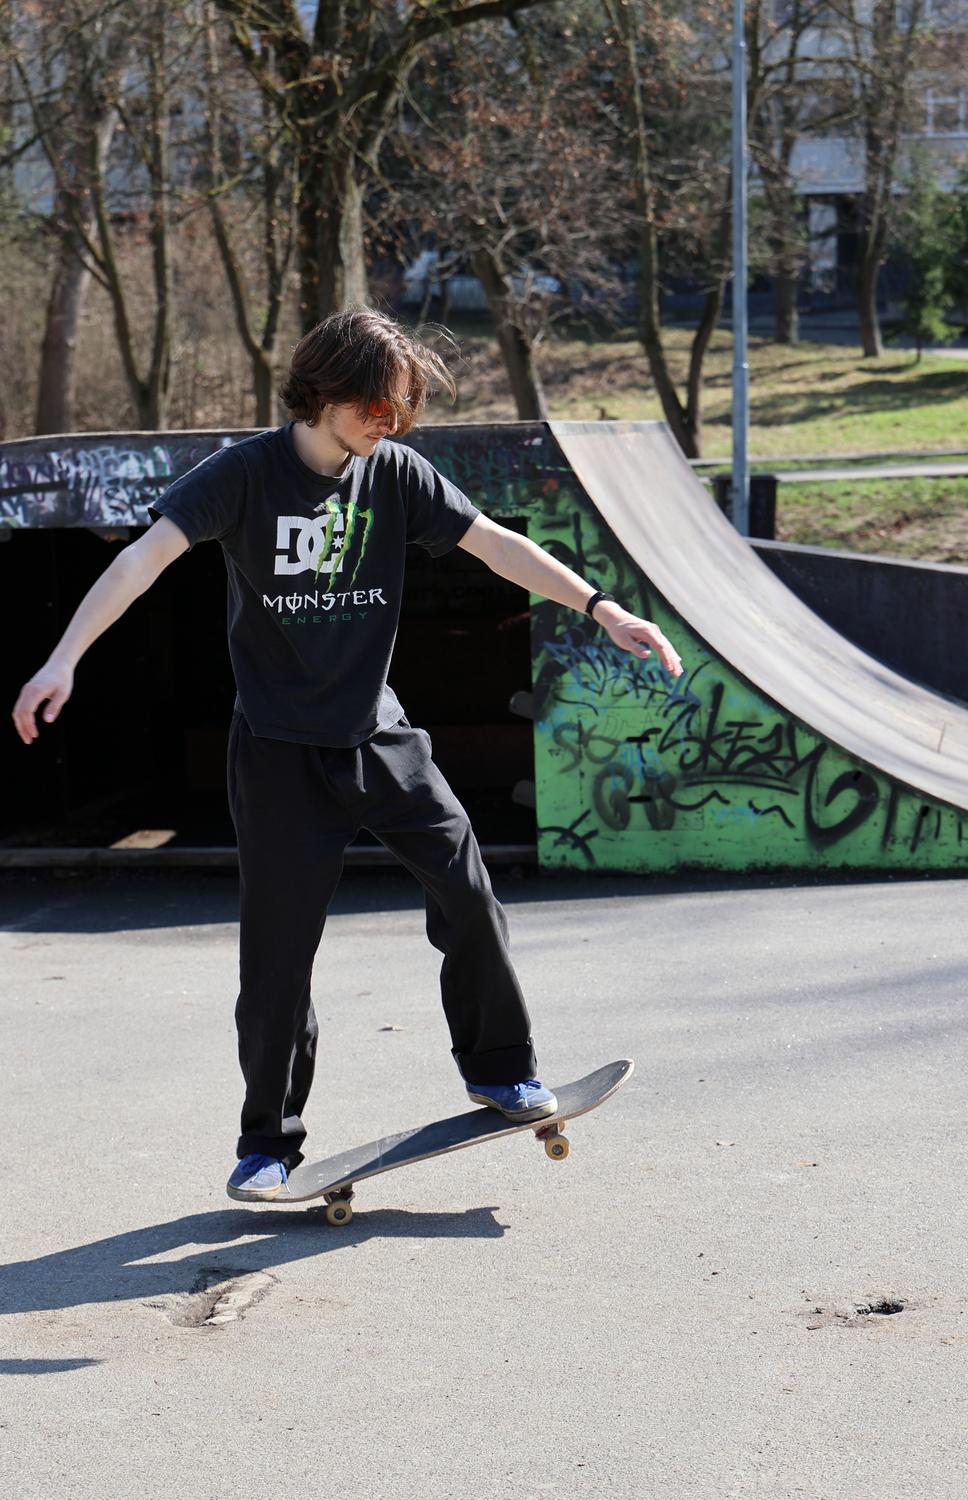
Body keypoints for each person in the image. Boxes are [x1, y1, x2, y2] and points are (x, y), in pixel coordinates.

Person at [11, 304, 683, 1203]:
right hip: (280, 754)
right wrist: (63, 659)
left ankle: (499, 1068)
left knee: (468, 892)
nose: (389, 425)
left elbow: (494, 545)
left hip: (380, 736)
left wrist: (600, 606)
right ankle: (266, 1144)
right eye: (378, 408)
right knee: (279, 959)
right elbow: (144, 559)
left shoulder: (396, 474)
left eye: (401, 411)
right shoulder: (243, 476)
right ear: (327, 391)